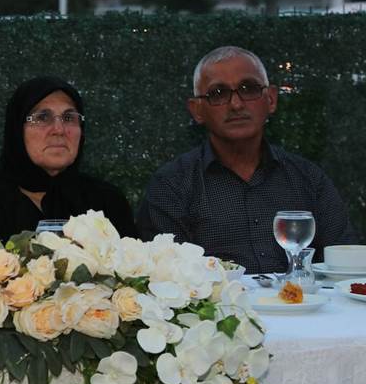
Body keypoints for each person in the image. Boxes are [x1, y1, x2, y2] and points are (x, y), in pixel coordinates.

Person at [137, 45, 359, 273]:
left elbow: (344, 265)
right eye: (218, 94)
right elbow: (168, 279)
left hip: (301, 306)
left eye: (249, 88)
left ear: (271, 99)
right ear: (197, 110)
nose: (236, 104)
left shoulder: (308, 179)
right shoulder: (172, 186)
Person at [0, 76, 135, 244]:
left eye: (69, 118)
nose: (58, 129)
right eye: (43, 117)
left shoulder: (107, 202)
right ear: (17, 130)